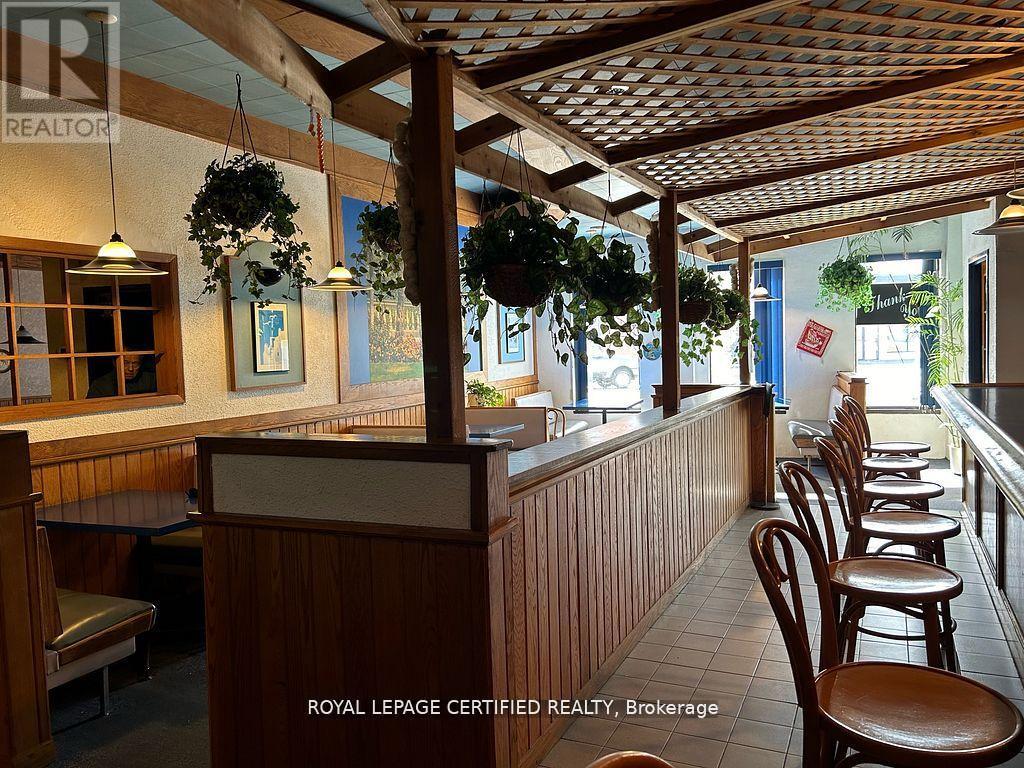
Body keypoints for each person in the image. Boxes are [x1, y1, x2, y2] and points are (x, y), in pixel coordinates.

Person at [87, 354, 158, 398]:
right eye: (125, 363)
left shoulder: (150, 380)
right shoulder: (100, 385)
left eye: (135, 363)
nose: (130, 368)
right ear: (114, 363)